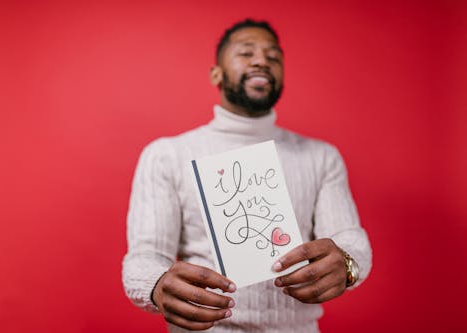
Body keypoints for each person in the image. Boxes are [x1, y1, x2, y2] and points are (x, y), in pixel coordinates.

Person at [122, 19, 372, 333]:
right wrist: (156, 285)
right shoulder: (166, 155)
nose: (261, 61)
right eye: (246, 52)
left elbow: (349, 237)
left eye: (273, 57)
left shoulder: (321, 157)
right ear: (216, 73)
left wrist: (349, 264)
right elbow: (145, 256)